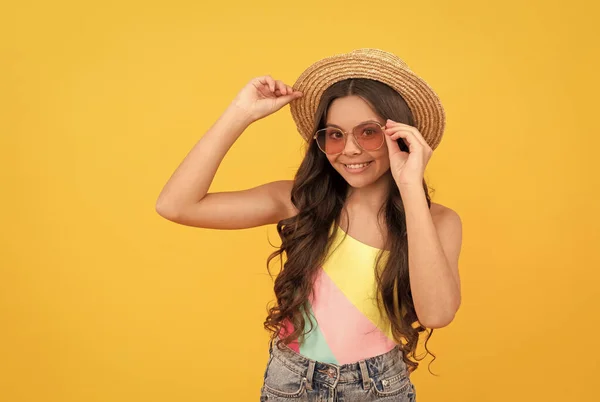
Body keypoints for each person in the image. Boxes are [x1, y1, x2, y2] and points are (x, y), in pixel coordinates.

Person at [156, 48, 462, 401]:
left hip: (379, 388)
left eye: (368, 132)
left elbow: (437, 313)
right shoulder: (299, 202)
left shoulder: (438, 221)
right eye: (334, 134)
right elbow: (175, 205)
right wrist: (240, 113)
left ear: (401, 135)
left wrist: (410, 187)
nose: (349, 149)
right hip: (291, 382)